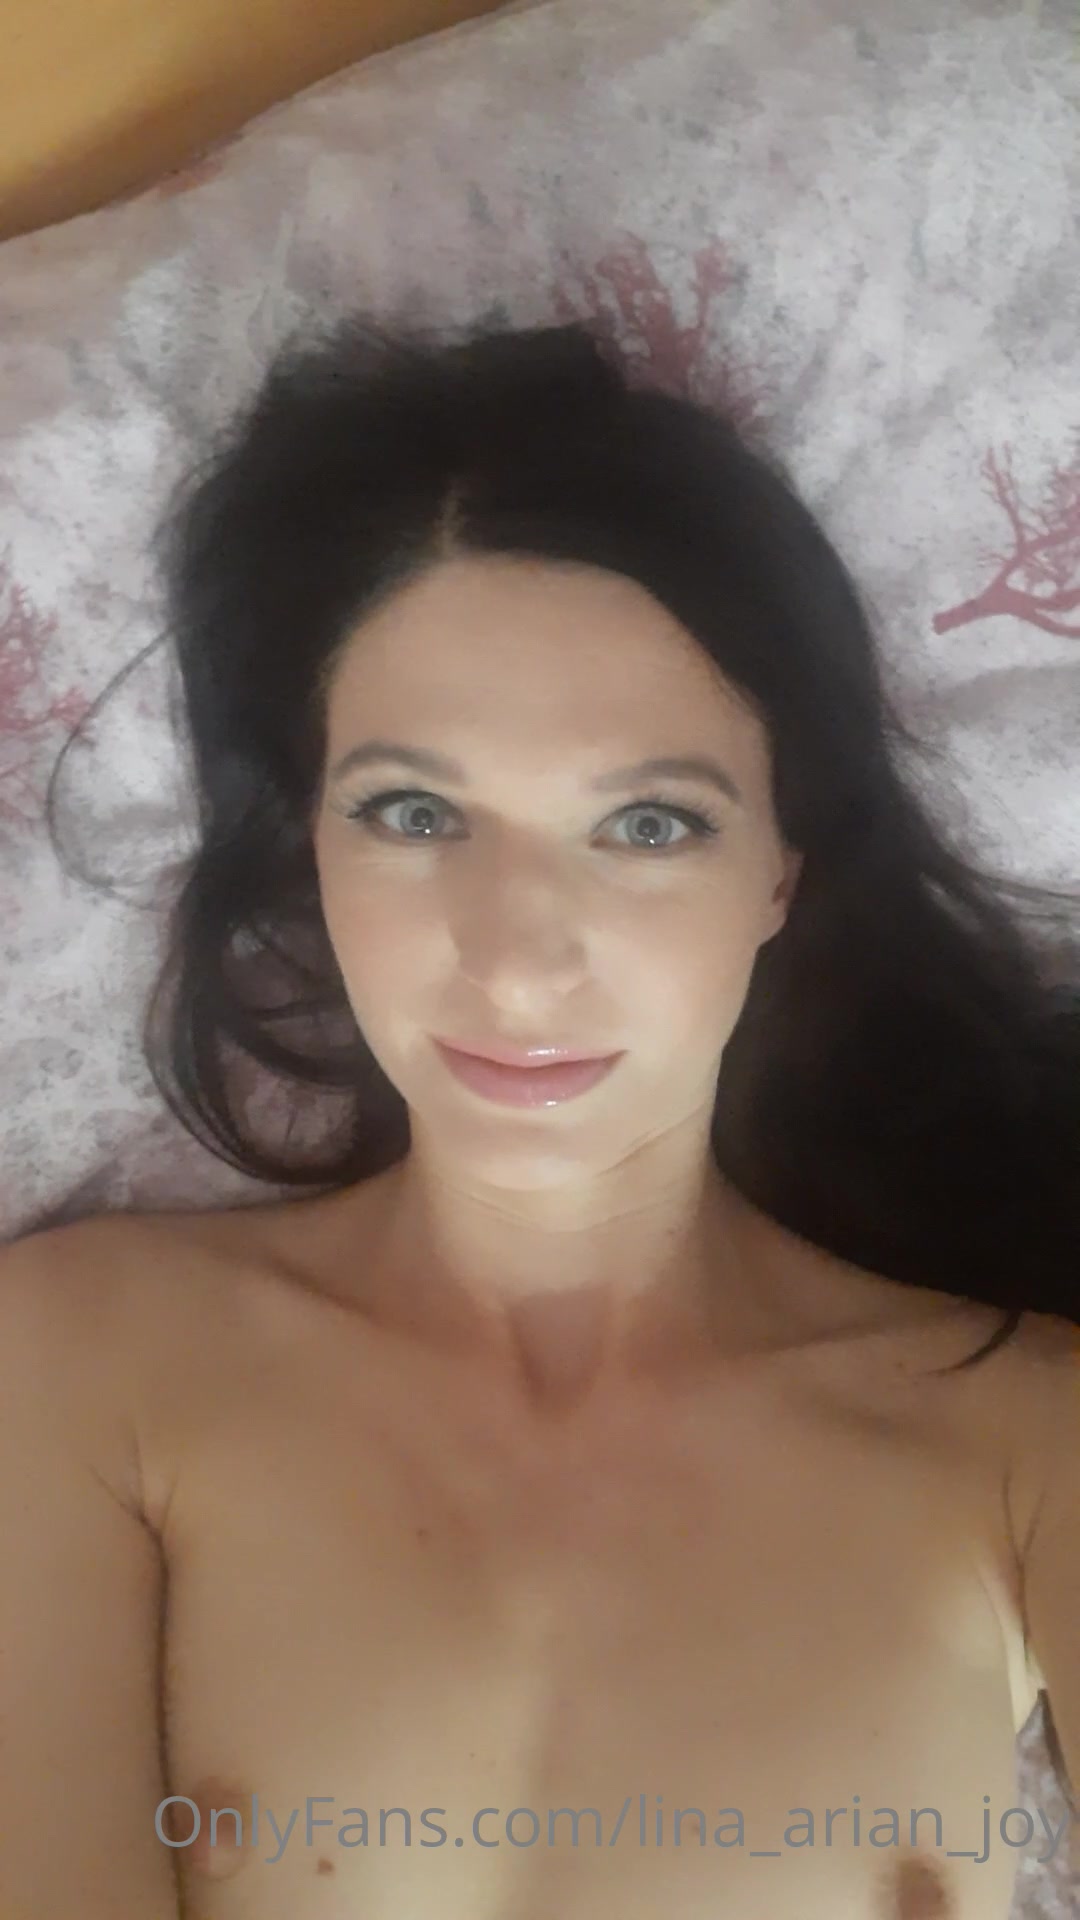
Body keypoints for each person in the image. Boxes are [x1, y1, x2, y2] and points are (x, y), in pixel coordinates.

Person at [3, 315, 1078, 1920]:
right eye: (413, 811)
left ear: (780, 873)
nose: (514, 962)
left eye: (648, 826)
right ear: (310, 845)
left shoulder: (1028, 1439)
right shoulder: (84, 1365)